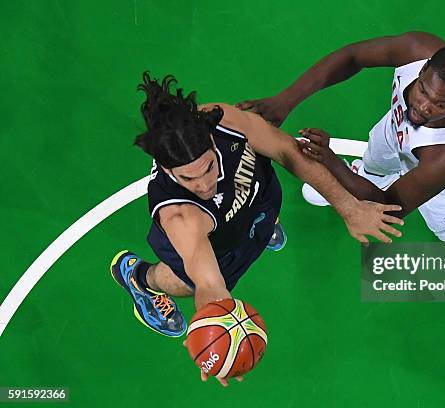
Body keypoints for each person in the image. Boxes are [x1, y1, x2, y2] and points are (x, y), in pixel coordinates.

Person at [110, 73, 404, 384]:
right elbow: (209, 282)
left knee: (261, 219)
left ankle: (259, 232)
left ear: (211, 142)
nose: (205, 184)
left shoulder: (223, 123)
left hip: (257, 202)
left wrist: (349, 207)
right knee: (186, 283)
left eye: (208, 168)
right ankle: (140, 278)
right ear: (168, 170)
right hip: (217, 245)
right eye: (189, 179)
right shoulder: (180, 214)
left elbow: (287, 151)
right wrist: (210, 327)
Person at [237, 32, 445, 296]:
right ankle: (363, 176)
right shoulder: (418, 49)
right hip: (399, 135)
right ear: (423, 69)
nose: (423, 105)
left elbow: (389, 205)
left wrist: (331, 163)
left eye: (440, 104)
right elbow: (352, 56)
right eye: (423, 90)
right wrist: (285, 100)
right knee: (377, 155)